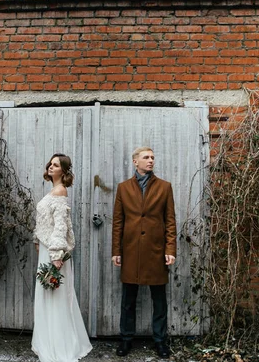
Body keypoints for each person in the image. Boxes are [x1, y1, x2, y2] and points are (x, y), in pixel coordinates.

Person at [111, 147, 177, 359]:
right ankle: (126, 340)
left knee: (159, 300)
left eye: (152, 158)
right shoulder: (123, 188)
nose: (150, 161)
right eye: (146, 158)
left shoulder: (165, 187)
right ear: (135, 162)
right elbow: (118, 223)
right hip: (130, 250)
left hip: (156, 251)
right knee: (128, 299)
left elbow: (170, 222)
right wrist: (116, 251)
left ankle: (160, 341)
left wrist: (170, 249)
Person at [31, 153, 93, 362]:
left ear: (63, 171)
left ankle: (60, 346)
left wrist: (57, 255)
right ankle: (48, 340)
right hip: (47, 250)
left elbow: (61, 225)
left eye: (56, 165)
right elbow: (44, 222)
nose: (51, 166)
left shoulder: (60, 191)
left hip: (54, 253)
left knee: (55, 298)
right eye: (50, 163)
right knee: (47, 297)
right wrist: (38, 240)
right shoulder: (53, 190)